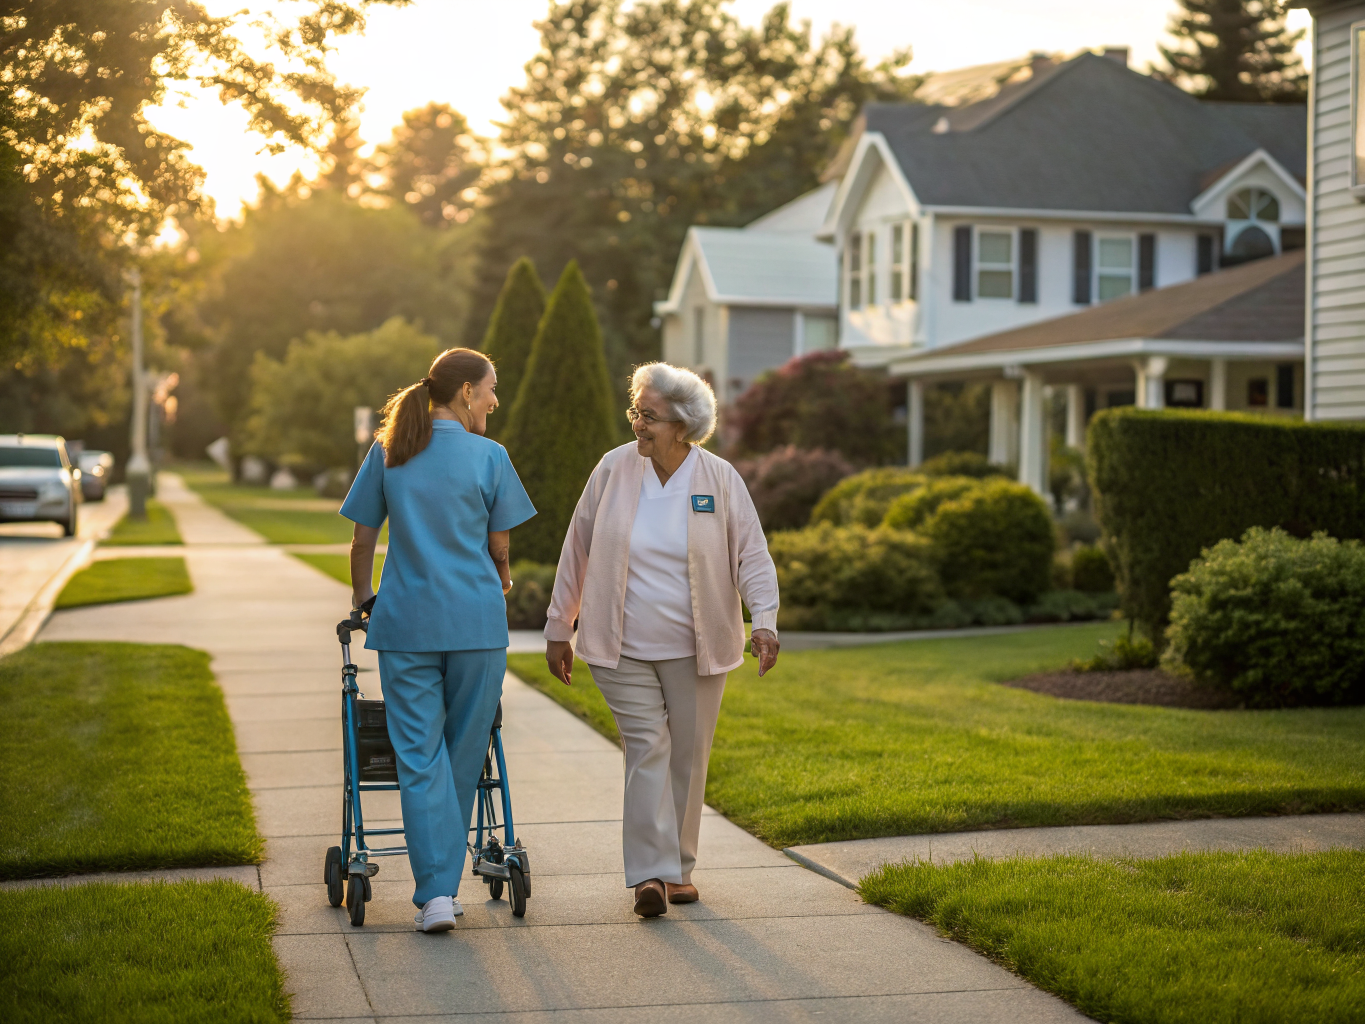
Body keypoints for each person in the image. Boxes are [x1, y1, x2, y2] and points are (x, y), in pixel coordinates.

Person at [544, 362, 780, 918]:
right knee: (648, 747)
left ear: (683, 423)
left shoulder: (718, 479)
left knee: (689, 757)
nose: (637, 425)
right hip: (619, 644)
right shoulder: (613, 470)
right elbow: (576, 547)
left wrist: (764, 618)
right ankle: (651, 874)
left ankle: (679, 868)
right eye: (636, 412)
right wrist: (560, 626)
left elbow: (752, 553)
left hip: (697, 648)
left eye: (648, 416)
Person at [341, 347, 536, 933]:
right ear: (467, 394)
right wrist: (499, 580)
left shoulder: (389, 451)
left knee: (418, 758)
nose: (496, 400)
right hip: (476, 626)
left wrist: (363, 602)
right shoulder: (491, 457)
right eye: (491, 388)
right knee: (461, 755)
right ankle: (442, 891)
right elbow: (500, 549)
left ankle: (436, 898)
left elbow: (361, 543)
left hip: (405, 626)